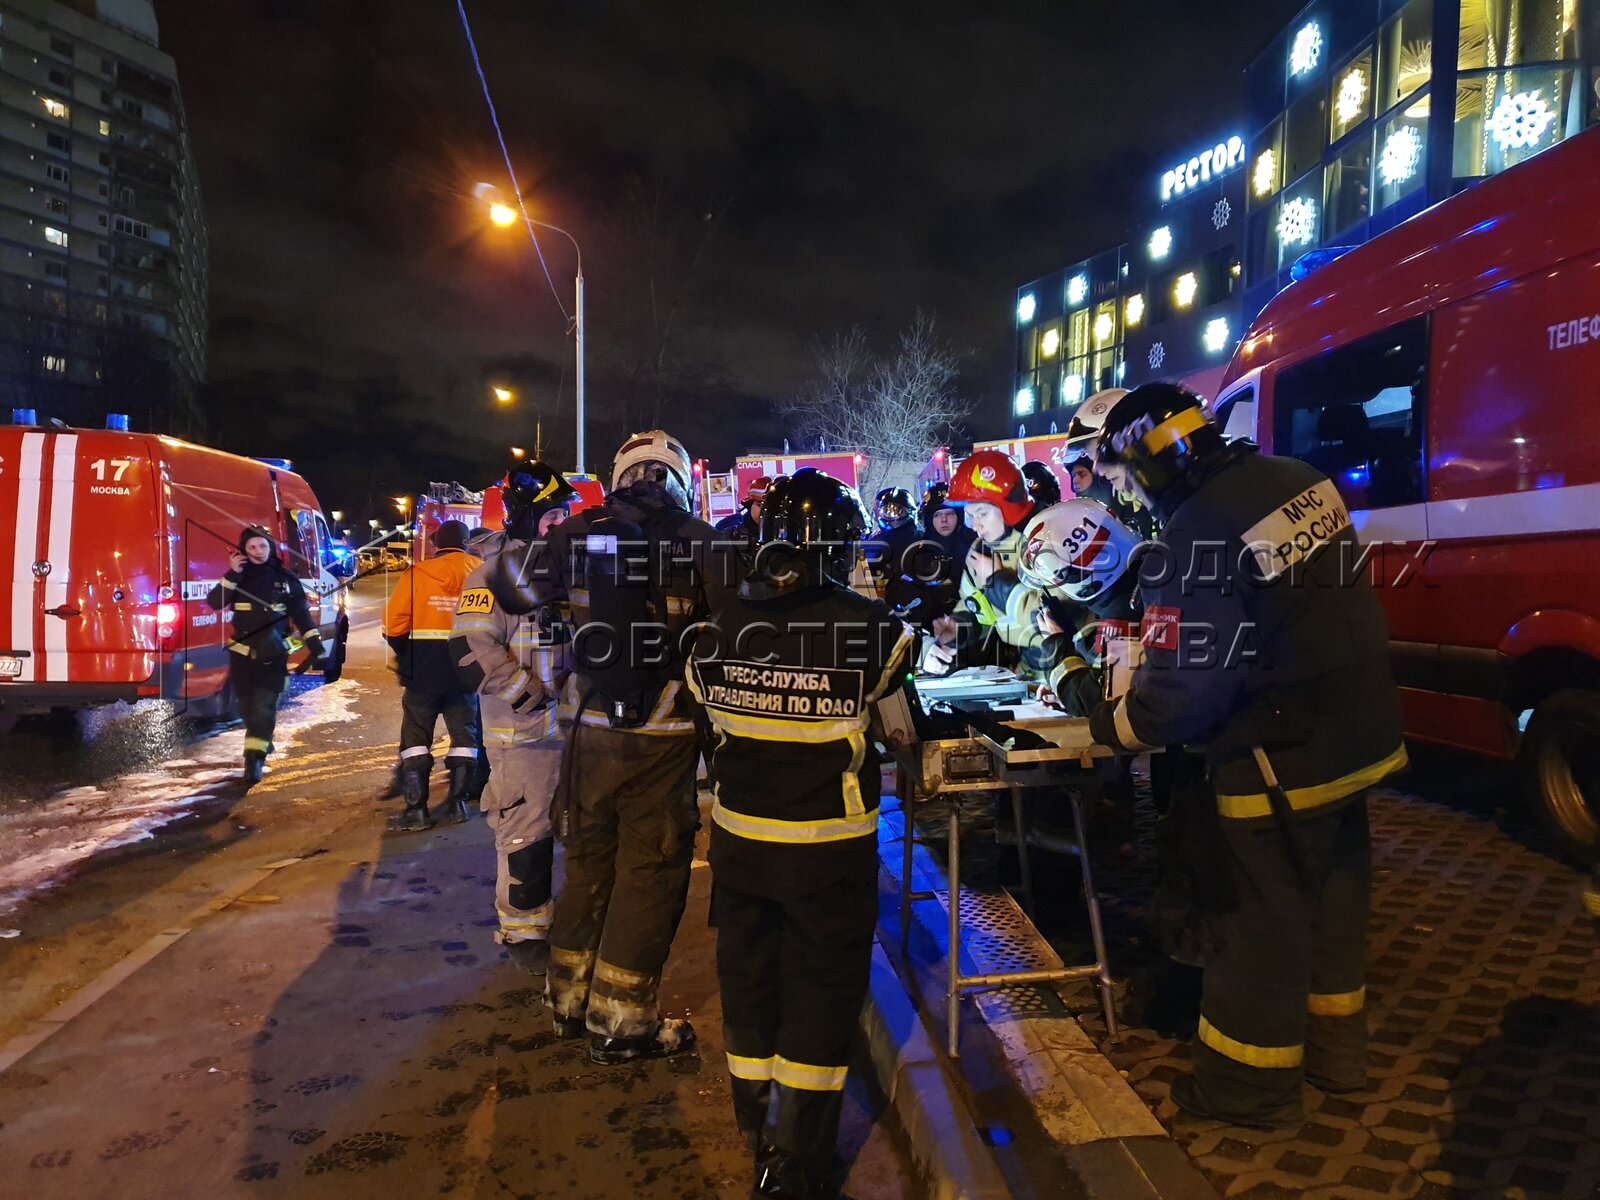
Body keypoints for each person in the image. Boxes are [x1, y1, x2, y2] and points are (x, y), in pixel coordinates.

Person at [1087, 382, 1407, 1129]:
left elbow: (1182, 694)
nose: (1131, 495)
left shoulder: (1193, 533)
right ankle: (1339, 1058)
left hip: (1277, 755)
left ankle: (1247, 1094)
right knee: (1334, 900)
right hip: (1360, 734)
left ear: (1154, 463)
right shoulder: (1298, 479)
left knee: (1259, 925)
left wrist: (1112, 726)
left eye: (1130, 477)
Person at [686, 469, 914, 1199]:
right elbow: (903, 728)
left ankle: (756, 1127)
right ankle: (793, 1159)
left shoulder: (713, 631)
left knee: (748, 985)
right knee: (819, 996)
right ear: (845, 546)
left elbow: (709, 729)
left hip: (740, 852)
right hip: (826, 855)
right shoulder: (876, 631)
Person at [491, 429, 737, 1063]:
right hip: (662, 735)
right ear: (678, 479)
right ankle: (623, 1022)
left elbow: (511, 590)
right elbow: (736, 632)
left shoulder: (572, 534)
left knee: (589, 864)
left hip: (584, 731)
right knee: (649, 871)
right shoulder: (703, 540)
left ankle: (567, 1002)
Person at [451, 461, 576, 975]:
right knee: (526, 833)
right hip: (524, 736)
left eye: (565, 515)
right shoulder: (493, 575)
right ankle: (525, 935)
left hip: (573, 732)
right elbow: (469, 645)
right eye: (552, 515)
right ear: (526, 517)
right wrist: (528, 694)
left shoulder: (568, 568)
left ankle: (558, 925)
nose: (561, 524)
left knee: (571, 830)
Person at [382, 519, 482, 831]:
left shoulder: (418, 574)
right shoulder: (481, 573)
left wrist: (406, 654)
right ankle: (458, 804)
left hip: (423, 671)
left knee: (415, 738)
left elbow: (393, 624)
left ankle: (417, 810)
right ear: (467, 544)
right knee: (465, 737)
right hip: (467, 669)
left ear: (437, 544)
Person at [207, 526, 326, 784]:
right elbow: (215, 602)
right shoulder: (238, 577)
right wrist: (232, 574)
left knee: (263, 707)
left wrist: (314, 642)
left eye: (262, 546)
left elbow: (301, 615)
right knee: (247, 708)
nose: (258, 552)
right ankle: (261, 741)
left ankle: (254, 758)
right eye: (251, 547)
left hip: (273, 656)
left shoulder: (284, 578)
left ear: (271, 547)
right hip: (241, 658)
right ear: (243, 551)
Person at [920, 449, 1042, 675]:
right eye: (971, 516)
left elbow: (1047, 622)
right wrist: (958, 628)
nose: (975, 526)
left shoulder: (1044, 542)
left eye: (982, 514)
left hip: (1071, 667)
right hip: (1031, 672)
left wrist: (997, 581)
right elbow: (977, 609)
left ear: (1008, 507)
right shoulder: (981, 549)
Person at [862, 486, 920, 585]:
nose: (890, 517)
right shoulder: (879, 538)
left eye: (897, 511)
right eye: (885, 511)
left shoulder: (917, 539)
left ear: (910, 512)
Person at [717, 475, 771, 542]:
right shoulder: (730, 535)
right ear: (750, 504)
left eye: (773, 507)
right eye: (760, 505)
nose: (766, 512)